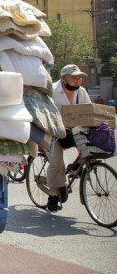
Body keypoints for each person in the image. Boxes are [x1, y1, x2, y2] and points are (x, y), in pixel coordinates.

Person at [47, 64, 91, 212]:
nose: (77, 81)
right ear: (63, 79)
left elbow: (89, 110)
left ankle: (75, 167)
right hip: (54, 132)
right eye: (73, 78)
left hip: (75, 131)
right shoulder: (52, 91)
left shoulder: (81, 92)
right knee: (56, 163)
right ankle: (53, 196)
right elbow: (46, 113)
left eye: (79, 78)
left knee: (92, 149)